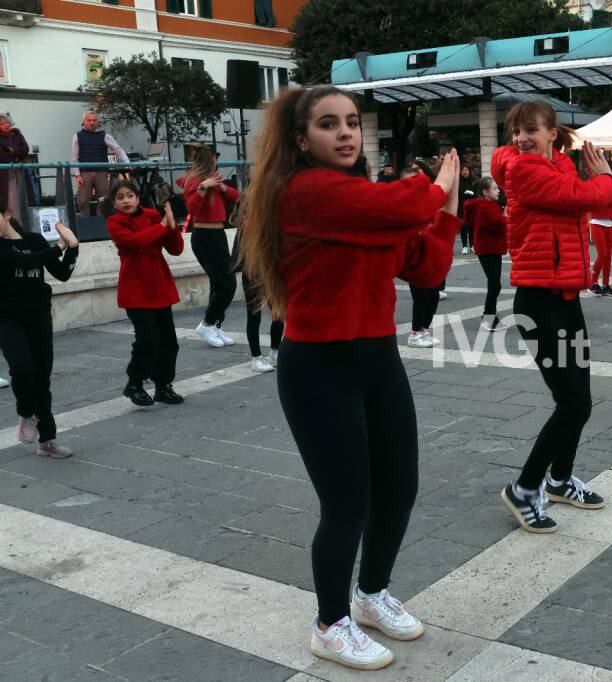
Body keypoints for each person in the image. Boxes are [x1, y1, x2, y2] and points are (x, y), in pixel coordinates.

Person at [239, 85, 461, 671]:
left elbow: (429, 266)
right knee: (347, 504)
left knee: (400, 487)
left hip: (377, 359)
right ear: (299, 138)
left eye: (353, 123)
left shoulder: (359, 199)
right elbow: (402, 209)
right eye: (328, 124)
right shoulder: (303, 192)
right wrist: (434, 188)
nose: (345, 133)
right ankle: (330, 623)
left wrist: (450, 204)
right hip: (319, 368)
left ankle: (370, 595)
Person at [491, 99, 612, 534]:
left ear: (551, 132)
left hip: (566, 298)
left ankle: (559, 481)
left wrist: (593, 182)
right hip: (539, 303)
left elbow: (586, 202)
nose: (522, 138)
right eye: (516, 131)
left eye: (530, 130)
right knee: (572, 404)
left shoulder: (560, 165)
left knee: (580, 400)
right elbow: (587, 197)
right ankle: (524, 489)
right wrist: (603, 178)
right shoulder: (521, 170)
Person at [0, 209, 79, 457]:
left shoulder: (34, 240)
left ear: (7, 214)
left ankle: (47, 441)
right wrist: (60, 246)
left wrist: (73, 248)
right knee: (23, 367)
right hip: (7, 318)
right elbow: (24, 262)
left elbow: (62, 273)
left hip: (38, 316)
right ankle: (26, 411)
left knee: (42, 377)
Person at [105, 180, 186, 407]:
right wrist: (162, 225)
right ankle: (134, 383)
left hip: (159, 284)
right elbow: (134, 242)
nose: (126, 201)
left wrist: (172, 226)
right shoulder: (115, 222)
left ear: (138, 198)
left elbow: (176, 249)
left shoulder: (152, 215)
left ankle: (163, 386)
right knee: (147, 340)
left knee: (169, 342)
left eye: (129, 195)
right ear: (115, 203)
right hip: (135, 288)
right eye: (120, 197)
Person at [178, 144, 239, 348]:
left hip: (217, 233)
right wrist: (204, 186)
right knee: (227, 283)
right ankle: (207, 323)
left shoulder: (216, 178)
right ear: (210, 158)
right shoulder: (194, 180)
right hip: (204, 235)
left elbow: (238, 198)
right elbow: (192, 208)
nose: (217, 160)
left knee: (218, 282)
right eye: (215, 157)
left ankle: (215, 325)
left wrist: (222, 188)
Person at [228, 205, 283, 373]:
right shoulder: (246, 228)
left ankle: (275, 350)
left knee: (278, 314)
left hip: (270, 273)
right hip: (253, 275)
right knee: (254, 316)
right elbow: (239, 258)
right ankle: (256, 357)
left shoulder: (268, 224)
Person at [401, 162, 447, 348]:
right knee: (421, 296)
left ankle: (423, 329)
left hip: (432, 251)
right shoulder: (405, 199)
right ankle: (414, 332)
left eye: (418, 172)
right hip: (415, 256)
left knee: (434, 295)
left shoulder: (432, 196)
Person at [463, 177, 507, 331]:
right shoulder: (484, 207)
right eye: (495, 188)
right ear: (485, 192)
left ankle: (490, 317)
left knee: (495, 284)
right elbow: (498, 224)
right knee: (495, 284)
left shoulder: (488, 205)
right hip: (488, 249)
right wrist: (507, 215)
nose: (498, 191)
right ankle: (488, 318)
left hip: (491, 248)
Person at [72, 111, 130, 216]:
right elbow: (75, 157)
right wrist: (77, 174)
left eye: (94, 120)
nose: (92, 122)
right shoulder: (77, 136)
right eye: (89, 120)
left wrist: (127, 163)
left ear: (98, 122)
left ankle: (103, 225)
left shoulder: (105, 136)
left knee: (103, 201)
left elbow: (117, 149)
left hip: (101, 173)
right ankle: (86, 225)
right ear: (84, 121)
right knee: (83, 201)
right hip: (85, 174)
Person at [588, 177, 612, 297]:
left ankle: (605, 284)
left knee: (608, 255)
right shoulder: (595, 182)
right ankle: (592, 283)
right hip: (597, 222)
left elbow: (611, 200)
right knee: (603, 254)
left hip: (609, 222)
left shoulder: (608, 182)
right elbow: (606, 200)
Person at [0, 114, 30, 219]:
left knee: (23, 196)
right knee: (9, 198)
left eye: (7, 123)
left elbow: (26, 149)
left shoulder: (18, 135)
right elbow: (2, 155)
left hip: (19, 169)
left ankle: (24, 220)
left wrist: (12, 151)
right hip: (5, 173)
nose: (5, 125)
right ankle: (12, 221)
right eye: (2, 124)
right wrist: (17, 151)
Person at [457, 164, 476, 254]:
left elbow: (477, 194)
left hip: (472, 206)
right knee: (463, 226)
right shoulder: (458, 182)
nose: (465, 172)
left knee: (471, 226)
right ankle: (464, 246)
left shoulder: (473, 181)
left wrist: (472, 193)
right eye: (463, 170)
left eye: (466, 170)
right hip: (461, 207)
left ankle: (472, 245)